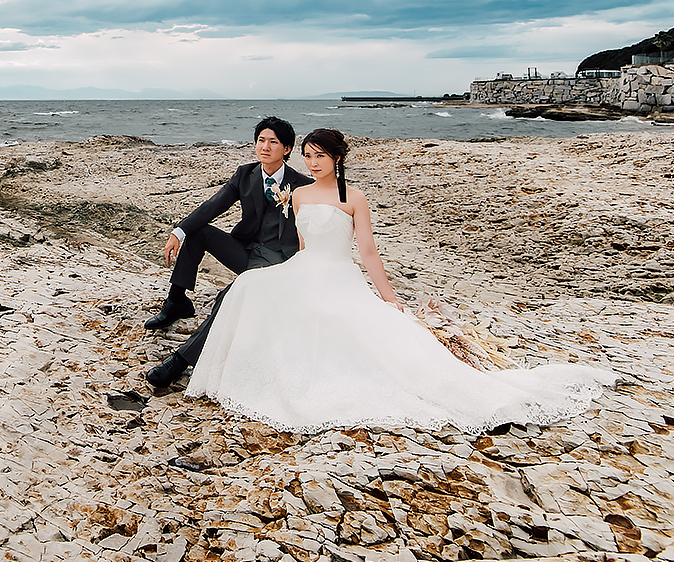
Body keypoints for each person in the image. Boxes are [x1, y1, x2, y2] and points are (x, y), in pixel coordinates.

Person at [183, 128, 616, 433]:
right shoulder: (297, 194)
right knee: (248, 287)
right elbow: (299, 243)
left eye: (320, 156)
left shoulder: (353, 197)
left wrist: (389, 298)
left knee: (350, 325)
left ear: (337, 159)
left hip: (338, 274)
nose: (312, 163)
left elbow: (367, 252)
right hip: (303, 268)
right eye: (308, 156)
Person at [143, 117, 311, 388]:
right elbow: (212, 206)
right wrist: (178, 231)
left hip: (276, 264)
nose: (264, 147)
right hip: (246, 250)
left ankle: (182, 360)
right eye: (260, 140)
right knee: (199, 233)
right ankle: (176, 302)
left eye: (273, 142)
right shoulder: (245, 174)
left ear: (287, 149)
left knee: (228, 297)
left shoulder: (303, 185)